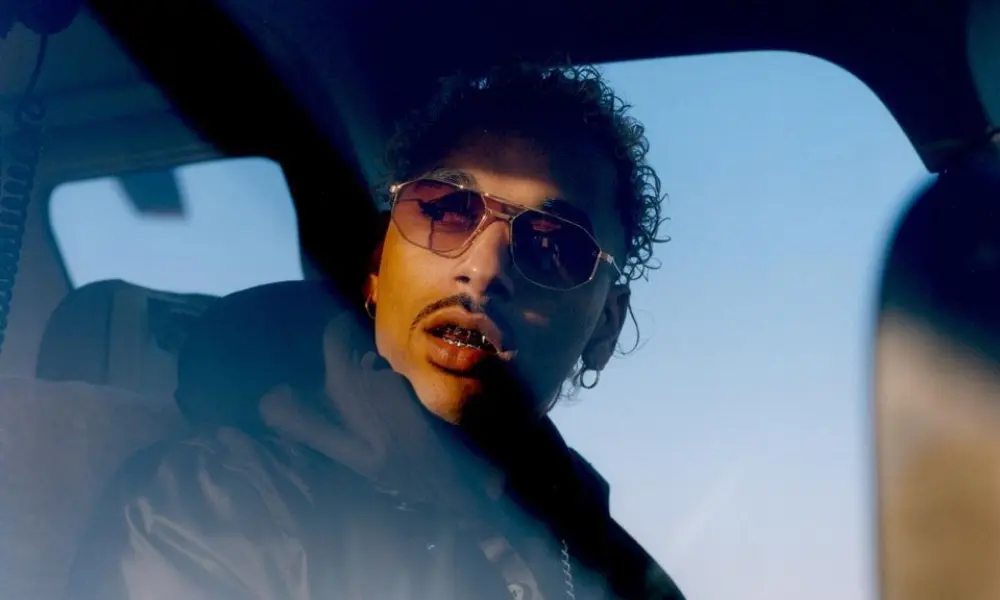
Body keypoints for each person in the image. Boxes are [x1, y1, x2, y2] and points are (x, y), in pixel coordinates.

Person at [67, 63, 683, 600]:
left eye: (553, 246)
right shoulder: (213, 510)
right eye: (444, 209)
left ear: (605, 326)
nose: (482, 269)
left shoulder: (619, 571)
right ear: (376, 269)